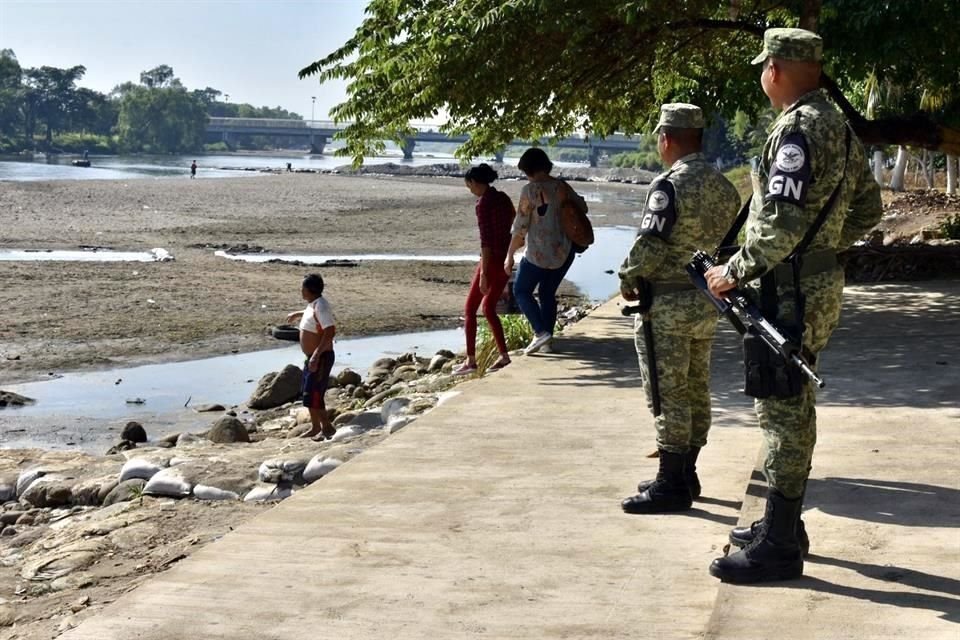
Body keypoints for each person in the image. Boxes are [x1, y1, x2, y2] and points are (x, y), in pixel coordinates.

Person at [704, 28, 882, 583]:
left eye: (763, 67)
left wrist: (730, 272)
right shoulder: (841, 127)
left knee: (782, 408)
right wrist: (825, 249)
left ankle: (779, 545)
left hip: (789, 290)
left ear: (775, 69)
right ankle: (784, 524)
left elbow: (778, 225)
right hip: (812, 283)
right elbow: (868, 210)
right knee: (789, 399)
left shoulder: (799, 130)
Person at [618, 104, 741, 515]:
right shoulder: (726, 188)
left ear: (666, 139)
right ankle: (686, 472)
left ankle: (671, 484)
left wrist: (627, 277)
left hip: (666, 305)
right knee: (695, 386)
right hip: (706, 303)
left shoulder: (668, 186)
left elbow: (650, 246)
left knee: (667, 391)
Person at [506, 148, 581, 355]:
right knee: (547, 293)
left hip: (538, 253)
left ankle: (540, 332)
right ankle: (547, 342)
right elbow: (582, 208)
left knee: (521, 290)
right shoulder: (563, 186)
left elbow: (520, 226)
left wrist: (509, 255)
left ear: (529, 169)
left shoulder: (530, 190)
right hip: (564, 252)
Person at [452, 163, 516, 375]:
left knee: (470, 310)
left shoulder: (483, 204)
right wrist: (510, 257)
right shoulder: (503, 199)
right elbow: (515, 228)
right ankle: (504, 356)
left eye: (469, 185)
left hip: (491, 261)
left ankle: (470, 361)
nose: (470, 189)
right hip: (505, 259)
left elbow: (486, 241)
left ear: (474, 183)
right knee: (489, 309)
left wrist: (484, 274)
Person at [285, 274, 338, 441]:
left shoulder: (321, 306)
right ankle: (315, 427)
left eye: (303, 288)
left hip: (320, 357)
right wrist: (298, 313)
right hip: (312, 357)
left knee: (315, 394)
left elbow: (330, 331)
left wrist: (316, 355)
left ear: (310, 290)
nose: (301, 291)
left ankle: (327, 427)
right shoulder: (313, 304)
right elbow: (312, 313)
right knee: (308, 393)